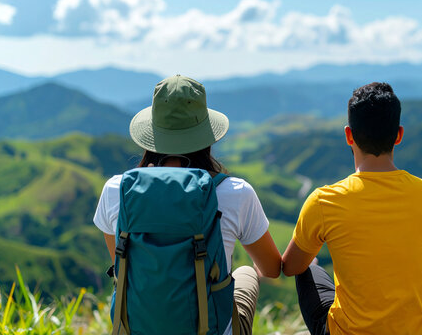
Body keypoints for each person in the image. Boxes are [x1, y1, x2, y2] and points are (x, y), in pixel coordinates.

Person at [93, 74, 282, 335]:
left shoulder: (117, 191)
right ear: (206, 135)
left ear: (151, 134)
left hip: (136, 328)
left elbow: (121, 264)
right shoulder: (237, 193)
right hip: (212, 327)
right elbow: (271, 269)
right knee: (245, 273)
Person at [282, 82, 422, 335]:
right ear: (398, 135)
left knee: (308, 267)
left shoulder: (324, 201)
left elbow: (290, 267)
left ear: (348, 135)